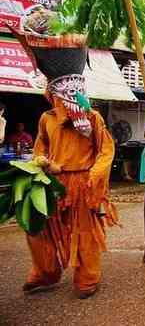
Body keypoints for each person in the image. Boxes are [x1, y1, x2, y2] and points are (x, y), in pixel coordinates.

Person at [13, 29, 116, 299]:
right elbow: (40, 147)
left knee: (84, 233)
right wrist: (41, 161)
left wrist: (95, 177)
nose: (73, 96)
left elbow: (106, 149)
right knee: (38, 227)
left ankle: (87, 277)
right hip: (52, 182)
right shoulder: (47, 119)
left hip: (83, 183)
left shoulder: (93, 118)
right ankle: (45, 271)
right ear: (53, 95)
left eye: (77, 90)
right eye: (66, 92)